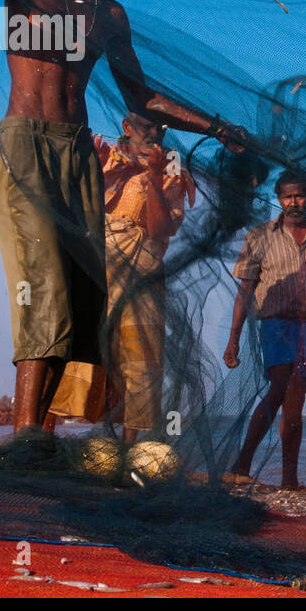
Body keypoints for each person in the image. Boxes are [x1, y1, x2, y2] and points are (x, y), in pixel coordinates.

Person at [0, 0, 247, 432]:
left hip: (79, 151)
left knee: (86, 294)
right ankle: (25, 441)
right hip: (27, 146)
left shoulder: (109, 15)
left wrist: (219, 127)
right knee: (43, 285)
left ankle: (48, 433)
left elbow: (143, 99)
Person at [47, 111, 195, 442]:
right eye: (146, 126)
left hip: (143, 268)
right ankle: (44, 437)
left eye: (159, 128)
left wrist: (154, 178)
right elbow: (76, 211)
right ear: (127, 128)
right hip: (99, 265)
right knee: (81, 345)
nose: (153, 134)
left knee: (140, 353)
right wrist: (91, 172)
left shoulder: (171, 168)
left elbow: (161, 228)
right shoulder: (104, 157)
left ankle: (128, 446)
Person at [224, 169, 306, 489]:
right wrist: (232, 339)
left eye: (300, 195)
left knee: (296, 398)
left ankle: (289, 479)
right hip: (275, 323)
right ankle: (242, 463)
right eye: (287, 196)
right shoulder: (259, 236)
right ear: (278, 198)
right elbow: (245, 291)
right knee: (278, 384)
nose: (294, 202)